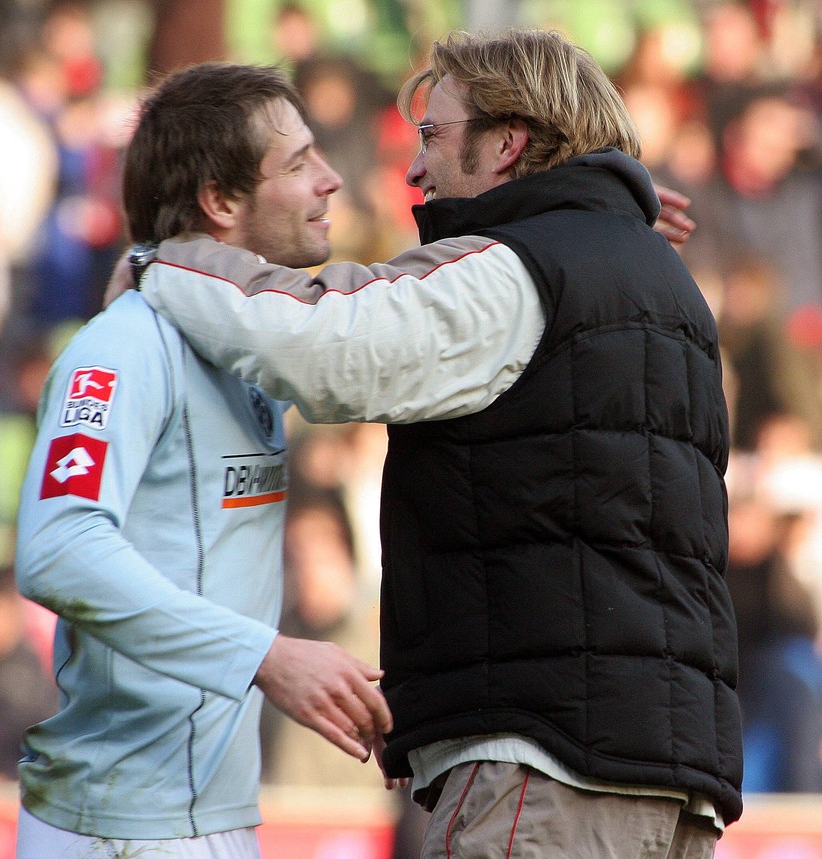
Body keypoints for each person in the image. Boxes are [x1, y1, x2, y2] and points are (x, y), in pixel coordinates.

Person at [131, 29, 741, 857]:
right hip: (664, 772)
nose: (413, 172)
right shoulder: (659, 280)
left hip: (547, 762)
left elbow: (321, 341)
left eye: (433, 137)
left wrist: (156, 265)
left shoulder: (516, 269)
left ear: (506, 143)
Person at [13, 62, 392, 859]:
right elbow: (59, 548)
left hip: (208, 814)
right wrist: (265, 655)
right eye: (297, 164)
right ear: (219, 202)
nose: (329, 181)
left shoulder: (247, 347)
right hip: (118, 826)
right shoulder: (122, 348)